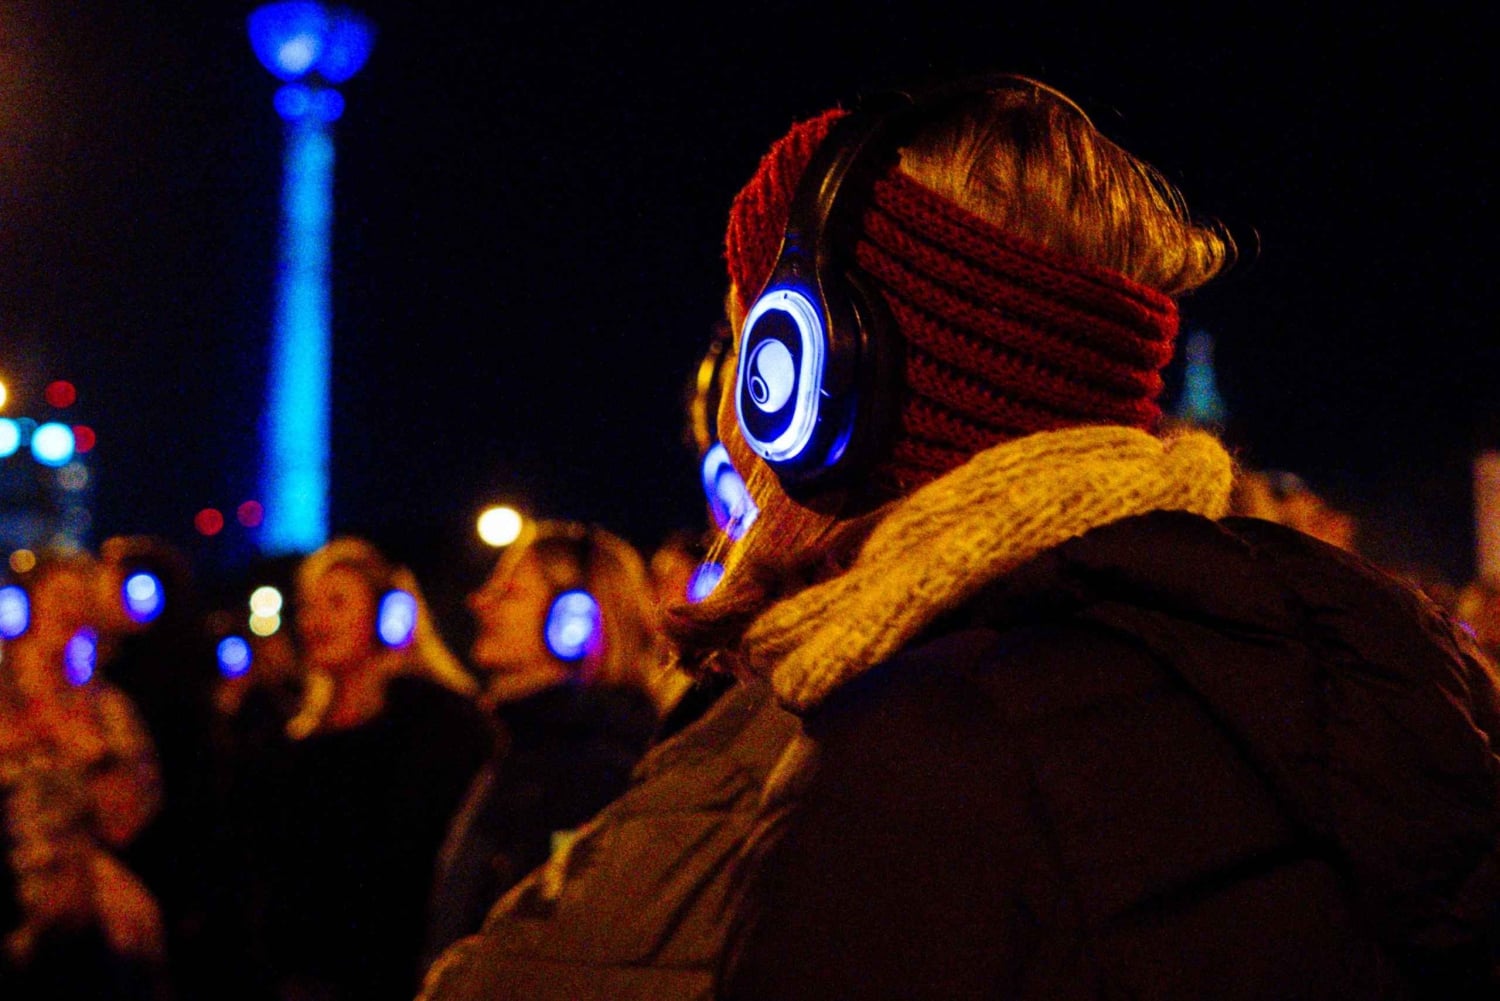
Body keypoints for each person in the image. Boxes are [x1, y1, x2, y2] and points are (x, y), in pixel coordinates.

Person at [638, 75, 1499, 998]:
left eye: (749, 354)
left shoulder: (917, 770)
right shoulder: (1368, 654)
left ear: (818, 378)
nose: (733, 419)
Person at [249, 536, 490, 1001]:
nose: (316, 621)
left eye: (336, 604)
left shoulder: (439, 725)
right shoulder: (295, 741)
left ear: (384, 614)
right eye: (308, 606)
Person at [423, 521, 664, 968]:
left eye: (509, 591)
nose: (479, 602)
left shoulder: (592, 771)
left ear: (575, 621)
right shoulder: (523, 750)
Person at [0, 550, 165, 999]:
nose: (68, 609)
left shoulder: (107, 711)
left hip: (74, 927)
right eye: (58, 595)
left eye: (80, 598)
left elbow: (126, 823)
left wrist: (87, 748)